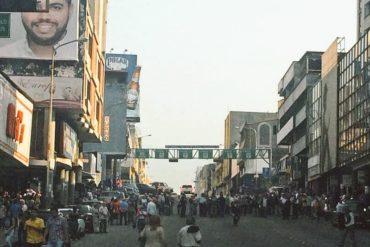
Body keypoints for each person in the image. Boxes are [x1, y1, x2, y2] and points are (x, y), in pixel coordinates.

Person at [0, 0, 75, 59]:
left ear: (70, 10)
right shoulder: (4, 53)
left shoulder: (78, 54)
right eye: (33, 6)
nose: (44, 17)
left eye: (56, 7)